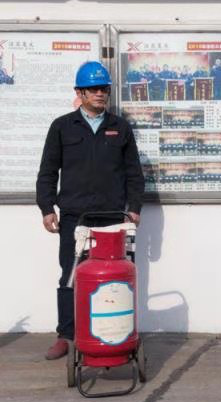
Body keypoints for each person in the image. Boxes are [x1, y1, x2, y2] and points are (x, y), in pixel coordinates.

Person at [36, 61, 144, 360]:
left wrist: (133, 209)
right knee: (70, 276)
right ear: (79, 92)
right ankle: (66, 336)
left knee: (115, 276)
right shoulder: (62, 127)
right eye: (93, 89)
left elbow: (134, 173)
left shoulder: (119, 127)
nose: (100, 93)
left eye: (104, 89)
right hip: (74, 217)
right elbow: (47, 172)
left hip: (112, 219)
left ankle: (117, 332)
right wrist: (47, 208)